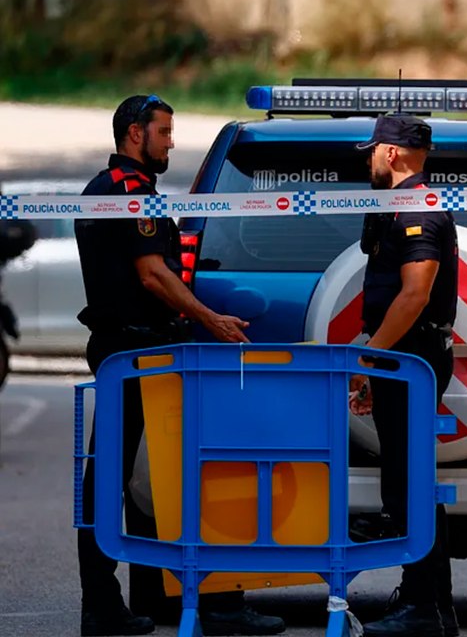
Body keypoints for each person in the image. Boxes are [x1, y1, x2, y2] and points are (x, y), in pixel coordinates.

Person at [74, 94, 285, 637]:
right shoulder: (128, 193)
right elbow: (152, 275)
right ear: (134, 133)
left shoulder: (116, 190)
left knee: (145, 477)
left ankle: (149, 594)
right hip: (135, 352)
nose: (171, 141)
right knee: (125, 479)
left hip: (136, 351)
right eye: (164, 131)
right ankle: (110, 605)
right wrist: (211, 319)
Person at [348, 113, 460, 637]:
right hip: (404, 358)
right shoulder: (400, 206)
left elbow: (415, 294)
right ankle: (434, 604)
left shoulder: (418, 209)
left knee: (410, 485)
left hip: (410, 357)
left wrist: (369, 358)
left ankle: (423, 607)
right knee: (407, 480)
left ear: (390, 154)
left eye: (372, 151)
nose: (368, 160)